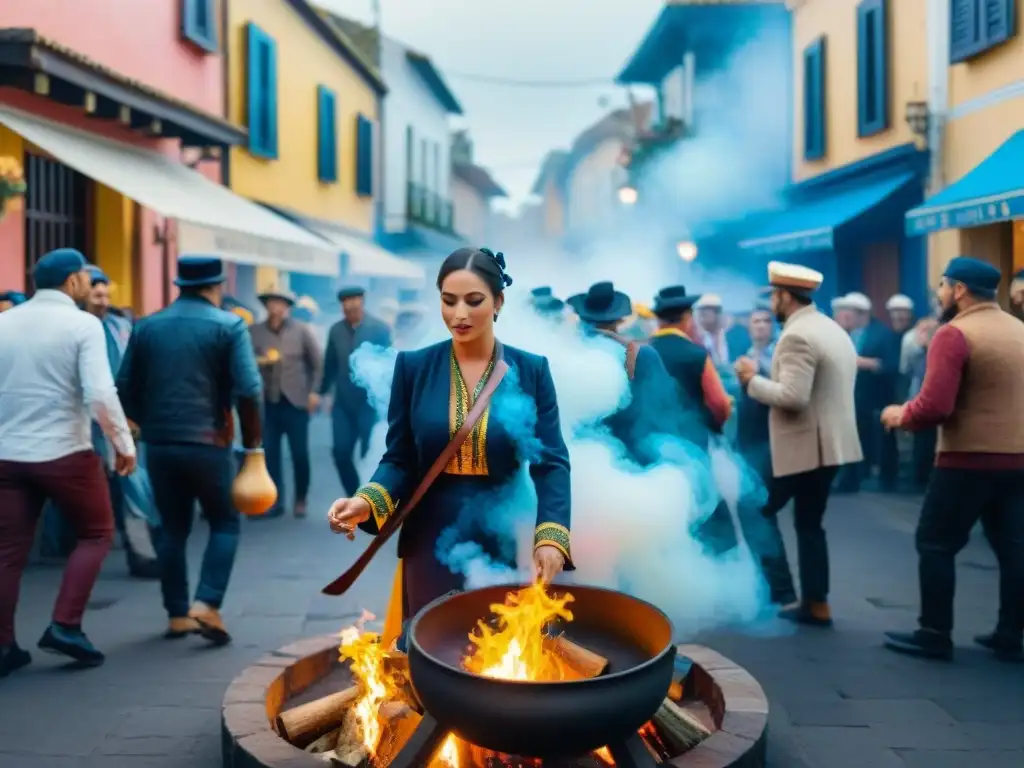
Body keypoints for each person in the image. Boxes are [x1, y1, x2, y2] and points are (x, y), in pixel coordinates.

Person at [327, 247, 572, 649]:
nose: (459, 314)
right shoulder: (413, 367)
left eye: (473, 301)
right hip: (430, 533)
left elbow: (551, 462)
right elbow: (400, 458)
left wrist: (550, 537)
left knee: (500, 650)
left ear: (498, 302)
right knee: (432, 647)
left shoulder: (531, 370)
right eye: (448, 300)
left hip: (501, 527)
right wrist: (367, 501)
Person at [880, 257, 1024, 662]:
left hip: (967, 460)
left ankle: (934, 632)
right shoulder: (1019, 330)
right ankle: (1011, 633)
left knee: (935, 543)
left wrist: (898, 415)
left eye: (943, 286)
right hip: (1017, 460)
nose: (940, 295)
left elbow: (934, 407)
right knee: (1013, 548)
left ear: (959, 290)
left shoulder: (954, 333)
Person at [0, 248, 137, 674]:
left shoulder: (2, 323)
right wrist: (123, 445)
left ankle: (3, 646)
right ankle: (65, 625)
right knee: (96, 533)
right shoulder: (83, 325)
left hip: (7, 454)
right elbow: (100, 392)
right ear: (74, 281)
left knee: (7, 551)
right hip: (65, 450)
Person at [117, 256, 263, 645]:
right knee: (224, 522)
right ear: (215, 286)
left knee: (172, 527)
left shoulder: (146, 326)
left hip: (161, 444)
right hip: (210, 442)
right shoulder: (230, 325)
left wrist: (142, 421)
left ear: (180, 284)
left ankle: (178, 614)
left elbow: (125, 384)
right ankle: (208, 602)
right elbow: (249, 389)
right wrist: (253, 447)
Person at [734, 261, 862, 627]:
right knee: (809, 524)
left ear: (785, 297)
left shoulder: (796, 335)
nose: (772, 303)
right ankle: (815, 603)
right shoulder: (830, 327)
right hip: (829, 447)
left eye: (774, 296)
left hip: (805, 447)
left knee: (756, 509)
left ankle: (780, 593)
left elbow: (793, 396)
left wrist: (750, 380)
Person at [646, 285, 737, 555]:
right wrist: (714, 426)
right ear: (687, 318)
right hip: (693, 444)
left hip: (651, 446)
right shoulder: (696, 354)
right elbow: (719, 403)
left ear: (659, 320)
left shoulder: (641, 352)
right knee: (704, 509)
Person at [82, 266, 160, 578]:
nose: (101, 300)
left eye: (104, 294)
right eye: (95, 294)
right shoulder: (80, 327)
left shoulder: (120, 325)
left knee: (134, 482)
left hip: (125, 416)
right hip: (88, 418)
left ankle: (142, 553)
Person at [566, 281, 674, 465]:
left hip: (583, 455)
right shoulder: (645, 355)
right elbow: (664, 405)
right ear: (620, 319)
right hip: (637, 453)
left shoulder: (567, 354)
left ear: (582, 316)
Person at [733, 304, 797, 605]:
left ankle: (781, 589)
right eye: (755, 321)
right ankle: (769, 586)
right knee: (751, 510)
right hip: (749, 443)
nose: (760, 326)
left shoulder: (780, 354)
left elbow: (783, 391)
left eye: (765, 321)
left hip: (773, 442)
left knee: (760, 510)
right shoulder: (745, 354)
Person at [249, 288, 323, 519]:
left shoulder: (301, 331)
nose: (277, 308)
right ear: (266, 306)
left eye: (281, 304)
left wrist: (314, 393)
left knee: (299, 454)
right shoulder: (254, 332)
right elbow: (247, 363)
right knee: (270, 454)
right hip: (268, 402)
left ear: (287, 307)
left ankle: (300, 498)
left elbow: (317, 364)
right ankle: (274, 501)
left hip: (296, 402)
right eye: (272, 303)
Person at [320, 286, 392, 496]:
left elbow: (389, 364)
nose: (349, 305)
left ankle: (372, 498)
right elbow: (329, 365)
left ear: (362, 301)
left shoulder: (379, 328)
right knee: (340, 452)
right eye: (345, 301)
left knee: (368, 453)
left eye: (354, 300)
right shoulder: (336, 330)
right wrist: (320, 392)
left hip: (369, 402)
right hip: (342, 402)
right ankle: (355, 495)